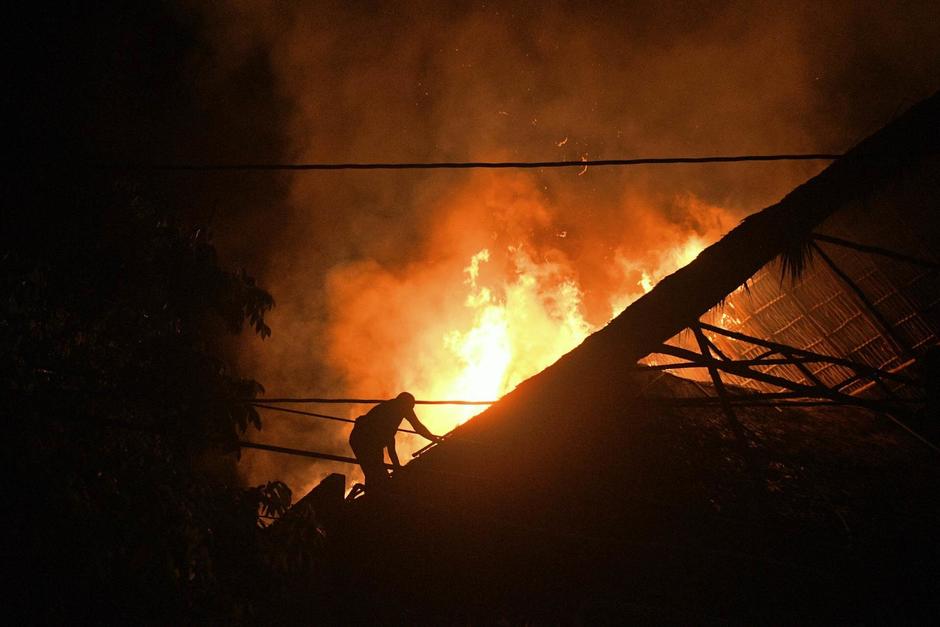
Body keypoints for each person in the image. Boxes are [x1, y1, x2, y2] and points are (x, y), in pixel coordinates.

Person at [348, 392, 441, 489]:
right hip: (362, 439)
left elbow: (417, 426)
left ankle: (373, 492)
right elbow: (390, 441)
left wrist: (434, 438)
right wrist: (397, 467)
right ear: (404, 404)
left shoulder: (400, 408)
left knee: (376, 472)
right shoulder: (389, 411)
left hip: (371, 441)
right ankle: (374, 495)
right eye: (410, 408)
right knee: (376, 472)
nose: (411, 412)